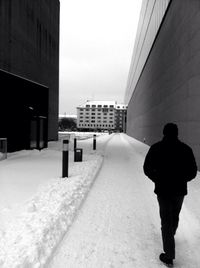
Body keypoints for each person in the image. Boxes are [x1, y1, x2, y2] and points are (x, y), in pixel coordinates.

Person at [143, 123, 197, 267]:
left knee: (166, 221)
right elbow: (193, 171)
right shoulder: (186, 149)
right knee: (174, 216)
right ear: (177, 133)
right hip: (179, 190)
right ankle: (169, 238)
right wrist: (183, 179)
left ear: (164, 132)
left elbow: (146, 168)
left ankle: (169, 255)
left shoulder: (156, 148)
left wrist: (157, 178)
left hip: (163, 190)